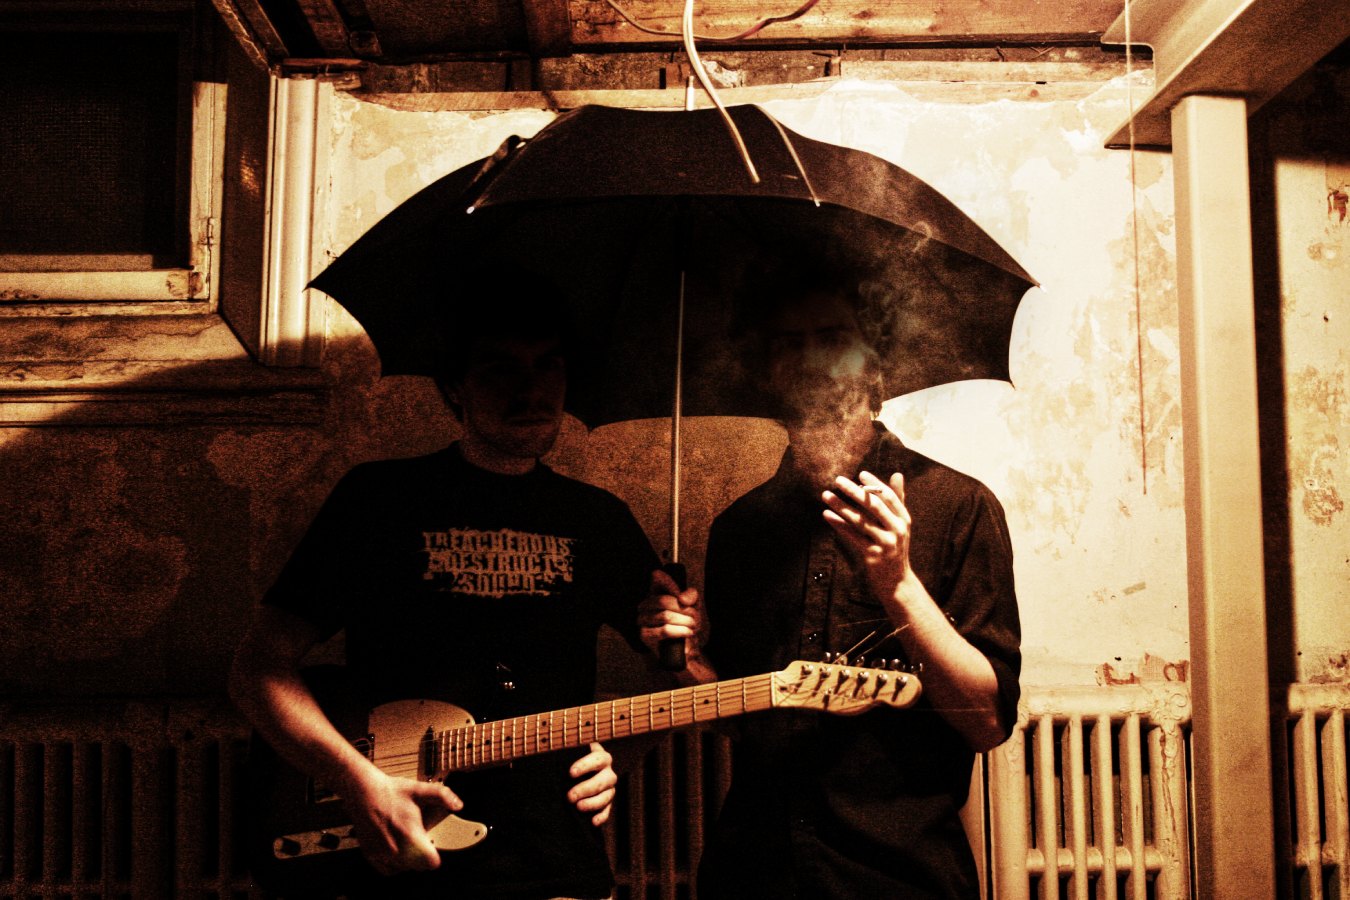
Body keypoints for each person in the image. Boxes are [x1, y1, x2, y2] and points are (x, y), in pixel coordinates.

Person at [230, 272, 661, 900]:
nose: (531, 390)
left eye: (548, 365)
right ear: (454, 386)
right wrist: (355, 781)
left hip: (553, 858)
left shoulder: (600, 519)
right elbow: (258, 668)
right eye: (500, 369)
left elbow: (683, 680)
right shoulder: (379, 499)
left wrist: (623, 754)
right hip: (394, 860)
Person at [640, 260, 1022, 899]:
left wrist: (898, 584)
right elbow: (747, 720)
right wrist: (690, 668)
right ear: (766, 370)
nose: (811, 359)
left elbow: (987, 722)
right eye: (789, 344)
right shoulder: (740, 528)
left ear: (875, 365)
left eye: (832, 338)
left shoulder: (960, 506)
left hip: (895, 877)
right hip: (753, 874)